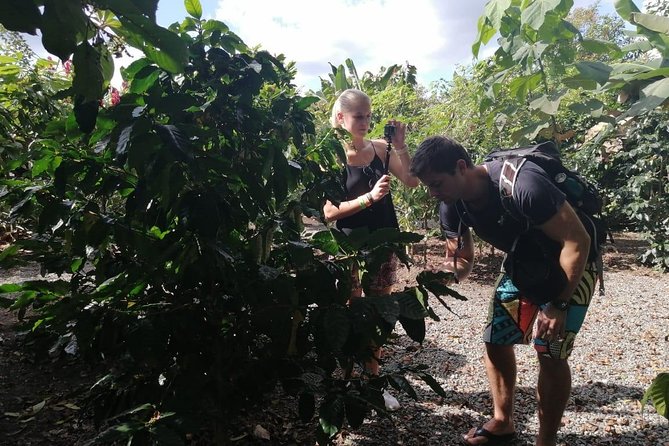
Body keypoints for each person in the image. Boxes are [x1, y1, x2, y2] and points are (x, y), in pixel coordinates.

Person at [409, 136, 598, 446]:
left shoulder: (523, 184)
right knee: (495, 338)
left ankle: (545, 440)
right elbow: (461, 258)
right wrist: (445, 277)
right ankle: (503, 421)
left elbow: (577, 241)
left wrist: (558, 305)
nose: (433, 193)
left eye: (437, 183)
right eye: (429, 186)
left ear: (461, 167)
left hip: (572, 263)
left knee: (549, 350)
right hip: (524, 263)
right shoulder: (451, 203)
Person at [323, 88, 419, 410]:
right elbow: (330, 212)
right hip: (350, 248)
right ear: (341, 118)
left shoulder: (382, 149)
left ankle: (373, 381)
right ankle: (347, 380)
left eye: (368, 115)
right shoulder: (333, 159)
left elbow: (411, 181)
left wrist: (402, 146)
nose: (365, 121)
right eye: (358, 116)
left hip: (384, 245)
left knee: (377, 312)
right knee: (352, 310)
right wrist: (369, 198)